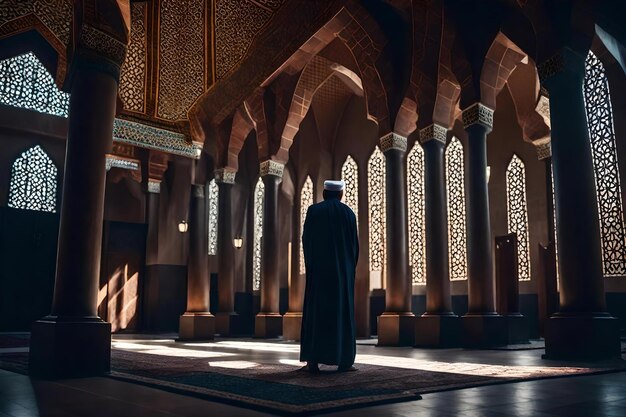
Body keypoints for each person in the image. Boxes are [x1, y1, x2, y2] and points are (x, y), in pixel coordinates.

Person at [299, 179, 359, 373]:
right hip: (342, 275)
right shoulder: (349, 214)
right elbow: (354, 248)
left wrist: (313, 267)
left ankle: (313, 362)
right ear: (340, 195)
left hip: (319, 274)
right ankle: (345, 362)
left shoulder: (314, 211)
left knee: (317, 314)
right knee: (342, 314)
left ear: (324, 194)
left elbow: (306, 241)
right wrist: (348, 270)